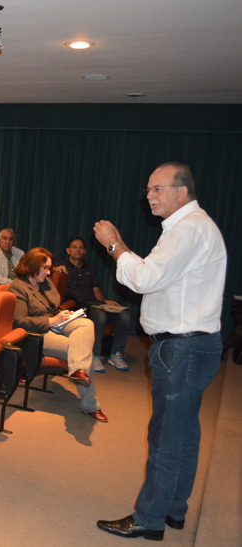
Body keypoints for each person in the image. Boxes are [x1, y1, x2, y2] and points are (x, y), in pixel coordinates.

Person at [94, 162, 226, 540]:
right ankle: (173, 509)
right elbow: (156, 276)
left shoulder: (189, 230)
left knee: (166, 436)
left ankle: (149, 518)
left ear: (182, 192)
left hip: (183, 349)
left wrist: (114, 245)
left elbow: (145, 278)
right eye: (149, 189)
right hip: (193, 347)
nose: (148, 196)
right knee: (184, 434)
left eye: (157, 189)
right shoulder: (190, 228)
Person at [8, 248, 108, 422]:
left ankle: (78, 370)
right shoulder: (18, 287)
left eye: (49, 268)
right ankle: (89, 404)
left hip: (55, 323)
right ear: (33, 266)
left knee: (86, 323)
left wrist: (62, 315)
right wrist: (53, 320)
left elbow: (53, 305)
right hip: (37, 334)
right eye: (45, 268)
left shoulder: (44, 282)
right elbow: (19, 322)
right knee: (83, 352)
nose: (49, 272)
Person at [55, 237, 132, 373]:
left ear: (84, 251)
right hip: (78, 306)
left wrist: (105, 301)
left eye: (81, 247)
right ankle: (95, 355)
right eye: (74, 247)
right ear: (68, 250)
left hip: (95, 303)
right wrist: (56, 268)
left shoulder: (90, 268)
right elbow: (49, 271)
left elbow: (96, 290)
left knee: (124, 315)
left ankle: (116, 354)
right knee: (100, 316)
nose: (78, 250)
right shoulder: (62, 266)